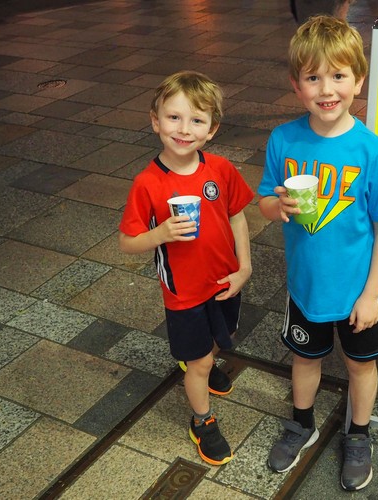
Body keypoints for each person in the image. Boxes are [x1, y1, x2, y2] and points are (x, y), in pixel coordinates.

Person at [257, 15, 378, 491]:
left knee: (361, 364)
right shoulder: (283, 139)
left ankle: (359, 435)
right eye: (313, 77)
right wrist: (275, 205)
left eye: (338, 75)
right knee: (305, 357)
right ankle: (303, 422)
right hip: (305, 286)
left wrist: (371, 293)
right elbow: (262, 201)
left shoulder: (370, 150)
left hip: (358, 290)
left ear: (358, 81)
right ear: (296, 84)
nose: (326, 89)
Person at [118, 70, 254, 466]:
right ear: (155, 121)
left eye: (197, 120)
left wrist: (244, 267)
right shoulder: (148, 183)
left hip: (225, 281)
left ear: (212, 129)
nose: (184, 129)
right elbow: (127, 243)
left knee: (220, 336)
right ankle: (202, 419)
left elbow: (237, 217)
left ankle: (204, 362)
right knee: (197, 362)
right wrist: (159, 233)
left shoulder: (221, 169)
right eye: (174, 117)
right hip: (184, 294)